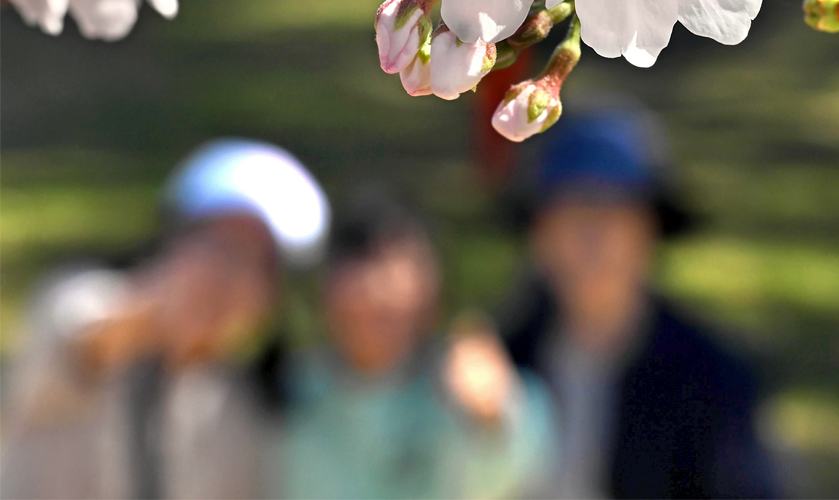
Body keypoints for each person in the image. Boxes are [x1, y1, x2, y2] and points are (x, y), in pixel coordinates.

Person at [1, 139, 330, 500]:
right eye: (219, 246)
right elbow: (87, 338)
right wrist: (160, 311)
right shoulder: (78, 299)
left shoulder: (235, 412)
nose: (228, 275)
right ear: (173, 240)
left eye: (257, 264)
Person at [501, 106, 779, 500]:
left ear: (649, 233)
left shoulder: (711, 379)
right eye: (574, 214)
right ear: (539, 235)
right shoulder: (503, 361)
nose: (593, 238)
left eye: (614, 214)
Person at [282, 190, 555, 500]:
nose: (376, 290)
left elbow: (513, 479)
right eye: (360, 267)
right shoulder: (287, 393)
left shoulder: (468, 384)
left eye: (396, 269)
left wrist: (492, 418)